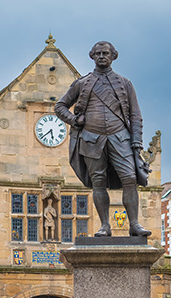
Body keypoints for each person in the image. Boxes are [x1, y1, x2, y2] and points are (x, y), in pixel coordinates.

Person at [55, 41, 151, 238]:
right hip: (91, 139)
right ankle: (105, 226)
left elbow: (135, 116)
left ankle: (134, 224)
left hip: (120, 137)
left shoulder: (125, 83)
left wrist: (137, 142)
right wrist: (74, 120)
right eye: (97, 53)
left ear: (113, 56)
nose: (101, 56)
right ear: (92, 56)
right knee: (98, 182)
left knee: (130, 178)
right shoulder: (82, 83)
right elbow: (60, 106)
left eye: (105, 53)